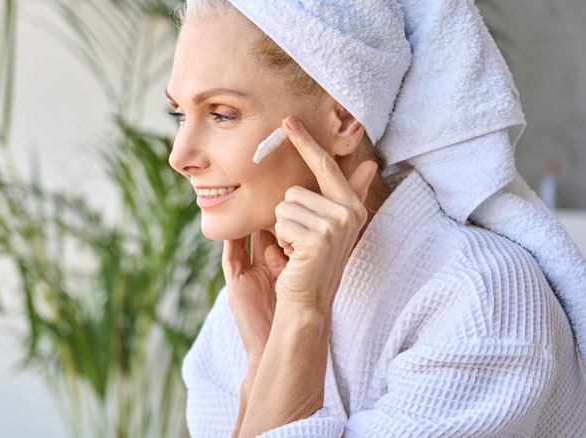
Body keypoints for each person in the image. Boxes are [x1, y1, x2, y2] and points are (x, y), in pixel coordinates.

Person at [165, 0, 586, 437]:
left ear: (345, 118)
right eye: (178, 113)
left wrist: (303, 319)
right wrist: (263, 358)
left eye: (221, 114)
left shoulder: (484, 298)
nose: (179, 157)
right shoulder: (246, 311)